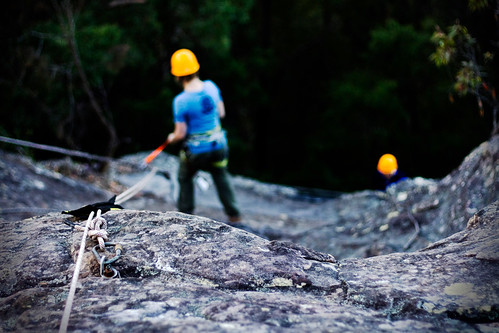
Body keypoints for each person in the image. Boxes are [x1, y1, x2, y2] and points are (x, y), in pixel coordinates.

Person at [166, 49, 241, 223]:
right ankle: (234, 214)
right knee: (220, 174)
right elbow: (221, 113)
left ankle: (185, 216)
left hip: (198, 151)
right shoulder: (211, 86)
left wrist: (171, 138)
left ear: (177, 76)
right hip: (219, 145)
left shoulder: (181, 101)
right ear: (195, 69)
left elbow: (181, 134)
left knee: (184, 177)